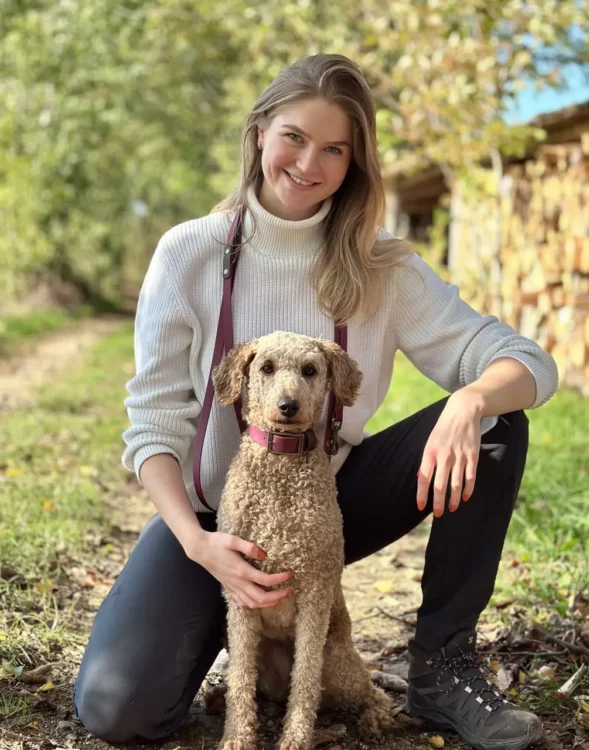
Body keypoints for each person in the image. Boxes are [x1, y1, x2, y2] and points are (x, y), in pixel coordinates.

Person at [72, 54, 558, 749]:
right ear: (260, 132)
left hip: (329, 505)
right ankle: (220, 634)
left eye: (336, 149)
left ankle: (443, 670)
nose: (310, 163)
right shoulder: (188, 253)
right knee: (119, 710)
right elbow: (153, 424)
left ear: (356, 163)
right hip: (214, 516)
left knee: (495, 427)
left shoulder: (381, 263)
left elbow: (531, 363)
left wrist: (471, 398)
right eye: (295, 137)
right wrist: (199, 544)